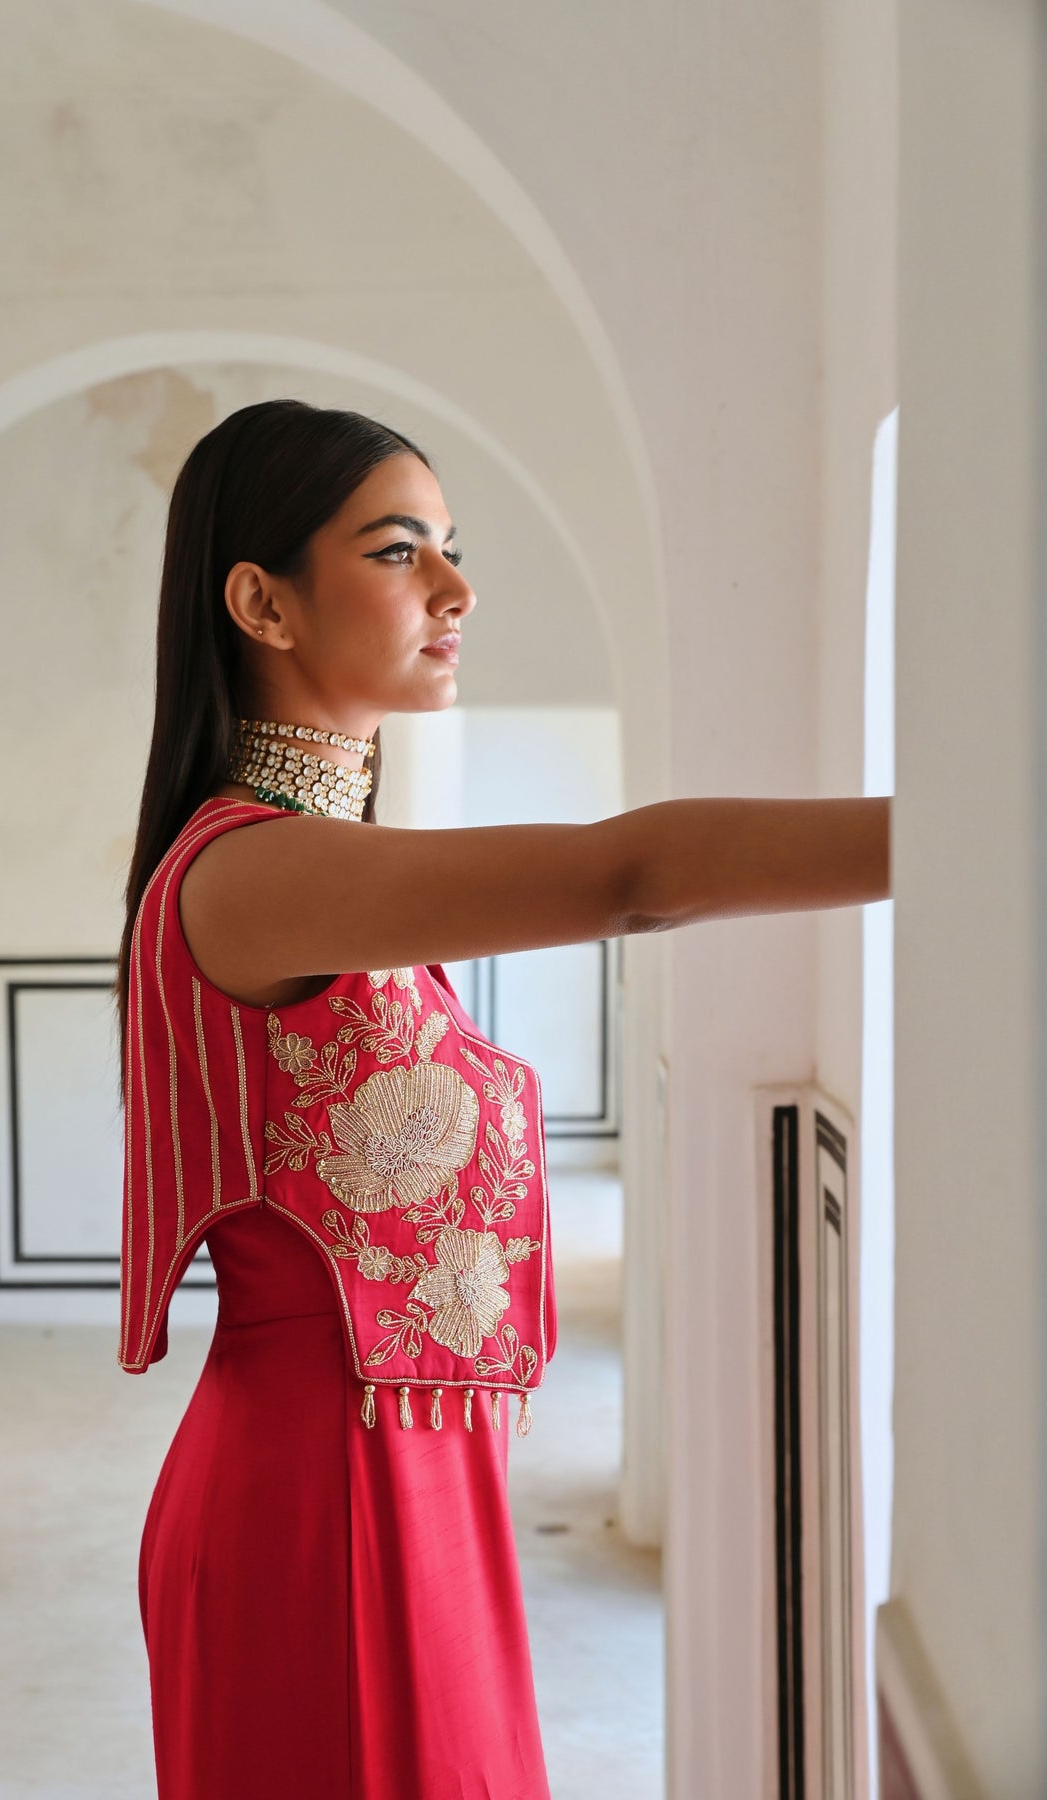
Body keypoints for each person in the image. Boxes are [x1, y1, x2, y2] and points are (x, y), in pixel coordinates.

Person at [114, 397, 891, 1800]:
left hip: (402, 1467)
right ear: (262, 602)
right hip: (327, 1487)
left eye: (451, 551)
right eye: (403, 553)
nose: (459, 591)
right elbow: (629, 876)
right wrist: (961, 828)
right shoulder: (258, 869)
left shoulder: (302, 867)